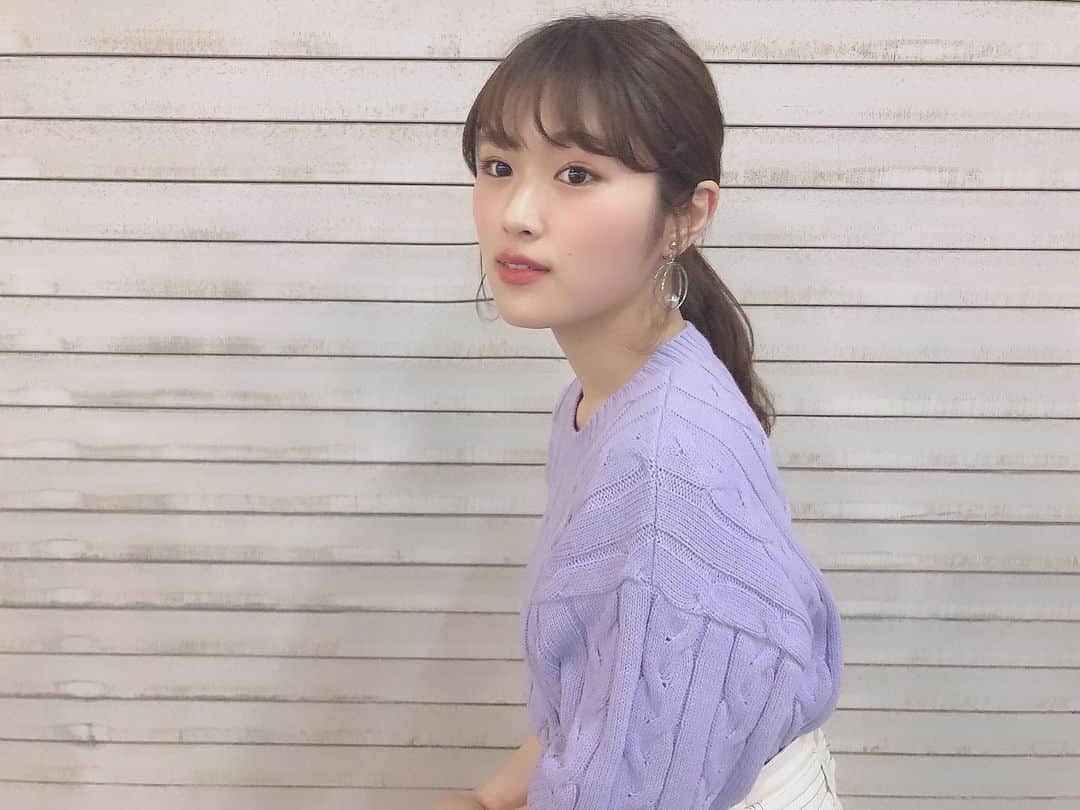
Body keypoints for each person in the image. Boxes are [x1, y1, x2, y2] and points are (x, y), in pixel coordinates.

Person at [436, 12, 844, 810]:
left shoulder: (664, 463)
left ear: (686, 215)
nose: (517, 212)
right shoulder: (605, 397)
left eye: (577, 174)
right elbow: (600, 693)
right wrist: (490, 798)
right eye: (497, 165)